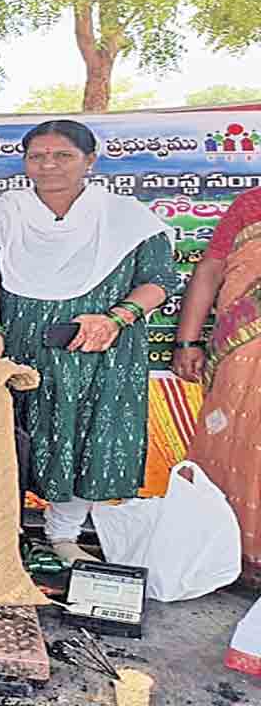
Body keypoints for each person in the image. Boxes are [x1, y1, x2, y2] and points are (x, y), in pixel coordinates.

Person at [0, 120, 178, 566]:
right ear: (25, 161)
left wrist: (118, 317)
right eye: (38, 156)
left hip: (97, 350)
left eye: (63, 155)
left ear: (90, 160)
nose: (49, 165)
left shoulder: (127, 217)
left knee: (85, 435)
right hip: (12, 344)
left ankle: (64, 538)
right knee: (3, 438)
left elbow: (161, 280)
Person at [173, 186, 261, 587]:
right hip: (244, 346)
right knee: (236, 444)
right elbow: (212, 268)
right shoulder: (253, 203)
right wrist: (187, 339)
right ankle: (234, 556)